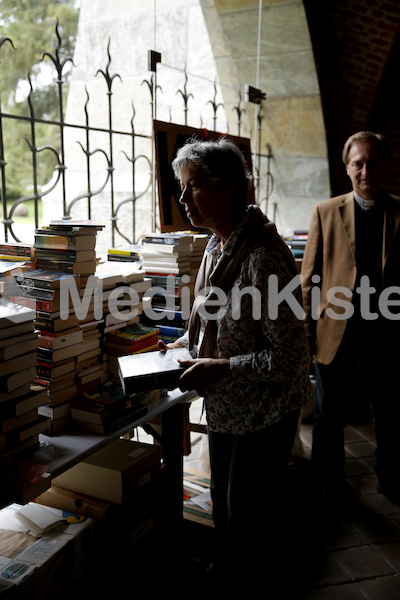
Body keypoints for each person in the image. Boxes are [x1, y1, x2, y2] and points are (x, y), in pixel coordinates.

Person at [158, 136, 312, 586]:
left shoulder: (262, 257)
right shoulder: (215, 246)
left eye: (194, 186)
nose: (183, 198)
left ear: (228, 187)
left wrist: (223, 367)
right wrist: (182, 345)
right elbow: (208, 318)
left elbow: (290, 357)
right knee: (226, 513)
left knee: (247, 520)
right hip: (227, 408)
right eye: (181, 187)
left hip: (262, 415)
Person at [301, 130, 400, 509]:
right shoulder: (326, 212)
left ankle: (391, 478)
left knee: (390, 410)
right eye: (357, 163)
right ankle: (329, 482)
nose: (365, 170)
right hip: (335, 331)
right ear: (347, 168)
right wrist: (308, 335)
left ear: (385, 166)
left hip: (386, 330)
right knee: (329, 414)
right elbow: (309, 279)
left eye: (372, 162)